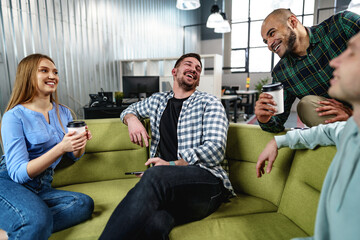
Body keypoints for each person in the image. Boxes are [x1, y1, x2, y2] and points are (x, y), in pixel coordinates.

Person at [99, 53, 234, 240]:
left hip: (208, 183)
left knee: (154, 175)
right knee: (155, 223)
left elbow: (216, 150)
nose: (194, 69)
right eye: (188, 64)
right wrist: (132, 120)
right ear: (174, 71)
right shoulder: (157, 101)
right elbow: (129, 110)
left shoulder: (209, 103)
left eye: (198, 69)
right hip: (171, 186)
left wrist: (171, 166)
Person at [256, 32, 360, 239]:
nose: (335, 61)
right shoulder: (349, 131)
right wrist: (278, 139)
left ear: (293, 23)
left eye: (352, 54)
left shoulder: (341, 25)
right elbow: (327, 131)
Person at [0, 54, 94, 239]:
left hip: (42, 186)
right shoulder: (14, 116)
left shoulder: (63, 111)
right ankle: (28, 223)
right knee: (38, 219)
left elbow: (75, 155)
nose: (53, 76)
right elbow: (18, 174)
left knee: (83, 204)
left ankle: (15, 227)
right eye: (44, 71)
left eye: (55, 72)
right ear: (27, 76)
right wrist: (60, 148)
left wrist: (79, 143)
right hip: (8, 182)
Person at [255, 8, 360, 133]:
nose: (269, 45)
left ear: (293, 22)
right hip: (341, 123)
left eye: (272, 33)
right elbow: (277, 122)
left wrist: (353, 113)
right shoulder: (281, 73)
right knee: (306, 106)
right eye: (265, 41)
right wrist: (264, 119)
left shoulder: (342, 24)